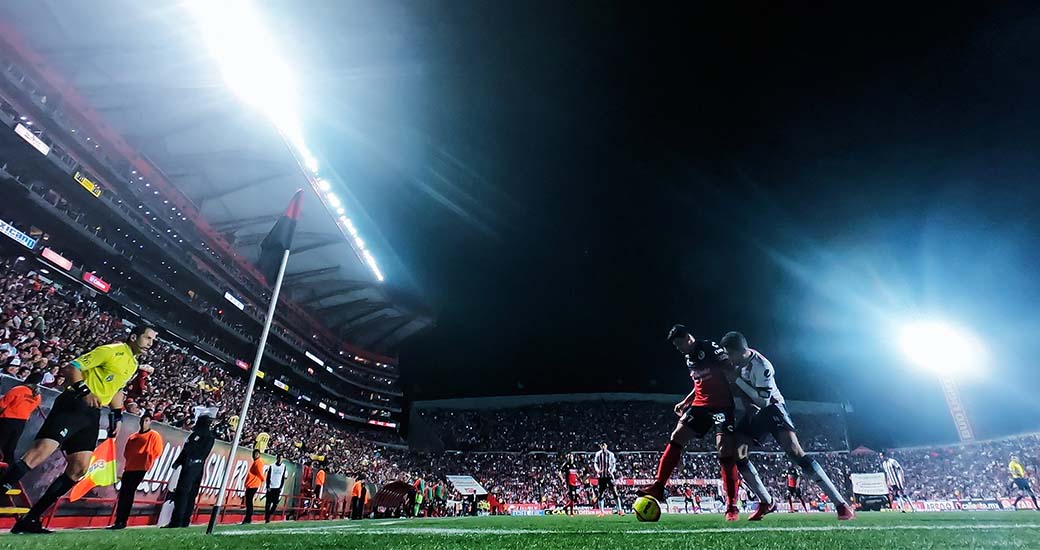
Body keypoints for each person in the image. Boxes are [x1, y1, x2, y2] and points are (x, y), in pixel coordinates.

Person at [1, 325, 157, 534]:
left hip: (92, 412)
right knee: (37, 455)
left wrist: (117, 416)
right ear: (133, 337)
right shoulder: (110, 350)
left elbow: (116, 391)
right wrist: (84, 391)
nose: (150, 343)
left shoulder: (132, 363)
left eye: (153, 340)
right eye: (147, 338)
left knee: (79, 469)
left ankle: (31, 518)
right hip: (74, 403)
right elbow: (71, 367)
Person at [720, 331, 854, 521]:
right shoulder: (736, 365)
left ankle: (841, 504)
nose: (729, 359)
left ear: (741, 351)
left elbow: (764, 401)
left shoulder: (762, 365)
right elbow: (742, 391)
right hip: (753, 413)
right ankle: (767, 501)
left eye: (730, 354)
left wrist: (738, 381)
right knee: (738, 453)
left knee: (794, 451)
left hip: (773, 409)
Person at [637, 324, 743, 521]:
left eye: (679, 345)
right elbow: (700, 382)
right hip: (700, 405)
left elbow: (731, 371)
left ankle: (732, 505)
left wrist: (744, 391)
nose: (678, 349)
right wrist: (686, 401)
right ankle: (659, 486)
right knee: (677, 436)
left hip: (721, 406)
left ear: (688, 338)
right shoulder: (689, 358)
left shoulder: (710, 349)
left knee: (724, 450)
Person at [109, 412, 164, 529]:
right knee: (124, 493)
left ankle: (122, 520)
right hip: (129, 468)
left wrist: (146, 459)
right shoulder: (133, 436)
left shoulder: (154, 435)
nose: (144, 423)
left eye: (147, 421)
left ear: (150, 422)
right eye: (143, 420)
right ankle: (119, 520)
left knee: (128, 492)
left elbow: (157, 451)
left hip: (140, 468)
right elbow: (126, 452)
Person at [166, 415, 216, 528]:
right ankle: (185, 521)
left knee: (182, 493)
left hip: (190, 465)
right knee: (192, 494)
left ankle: (176, 521)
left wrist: (179, 461)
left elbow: (187, 449)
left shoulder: (197, 434)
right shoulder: (211, 437)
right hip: (200, 466)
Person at [0, 373, 43, 464]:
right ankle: (7, 470)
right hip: (21, 423)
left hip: (7, 420)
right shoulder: (37, 396)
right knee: (10, 447)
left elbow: (2, 405)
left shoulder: (18, 389)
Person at [592, 442, 623, 515]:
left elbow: (614, 464)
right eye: (602, 445)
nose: (603, 447)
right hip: (601, 477)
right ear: (600, 446)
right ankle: (602, 512)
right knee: (600, 494)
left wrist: (611, 471)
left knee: (615, 493)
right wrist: (597, 470)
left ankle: (620, 510)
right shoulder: (598, 454)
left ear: (606, 446)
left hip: (609, 477)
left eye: (604, 445)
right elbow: (595, 463)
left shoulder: (611, 454)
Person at [242, 448, 265, 524]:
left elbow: (259, 472)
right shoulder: (257, 462)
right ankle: (248, 517)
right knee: (248, 501)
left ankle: (248, 518)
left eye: (256, 454)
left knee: (249, 501)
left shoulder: (258, 462)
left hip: (253, 484)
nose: (255, 456)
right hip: (252, 484)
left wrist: (262, 479)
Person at [264, 454, 288, 523]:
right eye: (279, 458)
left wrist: (281, 486)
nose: (280, 459)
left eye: (281, 458)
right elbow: (268, 476)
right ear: (277, 458)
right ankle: (267, 518)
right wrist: (268, 486)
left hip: (277, 487)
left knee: (275, 503)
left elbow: (283, 477)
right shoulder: (272, 466)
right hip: (271, 487)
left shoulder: (283, 466)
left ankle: (270, 513)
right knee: (268, 503)